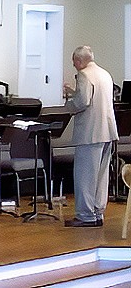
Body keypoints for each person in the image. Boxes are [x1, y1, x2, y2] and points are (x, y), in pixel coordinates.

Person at [63, 46, 119, 227]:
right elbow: (96, 99)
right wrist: (74, 93)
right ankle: (97, 212)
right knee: (101, 176)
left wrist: (68, 105)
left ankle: (85, 215)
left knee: (85, 176)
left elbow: (83, 102)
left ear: (79, 61)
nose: (74, 65)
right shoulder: (105, 74)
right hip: (107, 130)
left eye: (74, 62)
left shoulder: (84, 75)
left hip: (90, 133)